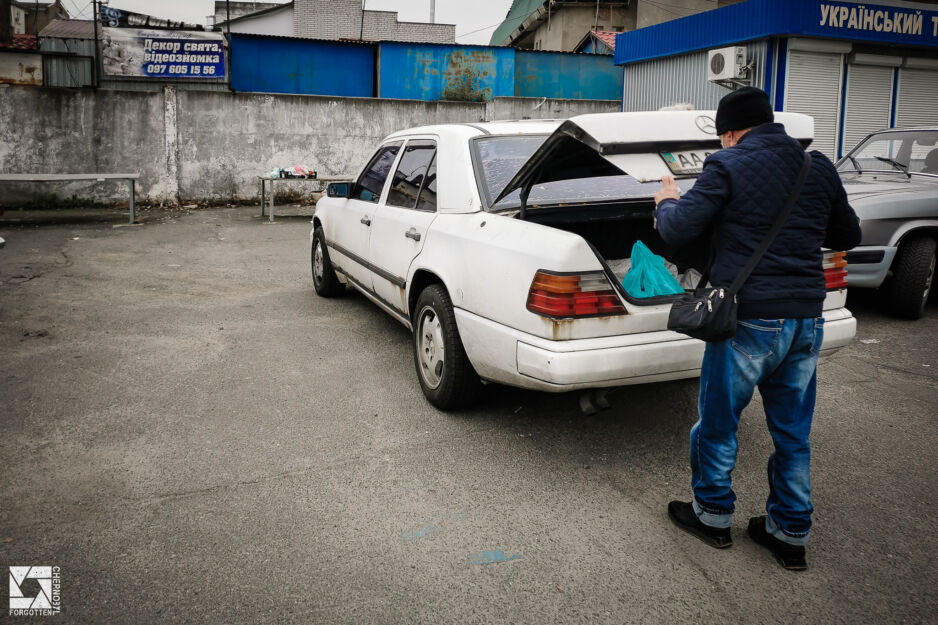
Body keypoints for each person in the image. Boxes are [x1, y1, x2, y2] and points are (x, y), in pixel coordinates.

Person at [653, 87, 862, 571]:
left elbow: (679, 230)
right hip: (807, 319)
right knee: (793, 432)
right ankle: (789, 532)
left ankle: (711, 515)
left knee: (720, 422)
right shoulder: (818, 167)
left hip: (748, 319)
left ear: (728, 133)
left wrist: (665, 201)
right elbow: (846, 234)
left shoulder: (727, 166)